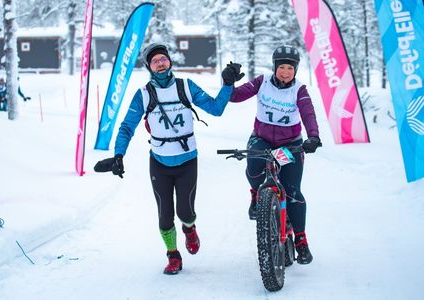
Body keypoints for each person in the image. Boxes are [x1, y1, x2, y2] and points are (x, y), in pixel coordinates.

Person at [94, 43, 243, 275]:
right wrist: (118, 155)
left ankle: (189, 228)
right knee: (164, 215)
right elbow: (126, 127)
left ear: (170, 62)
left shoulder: (185, 86)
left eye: (163, 59)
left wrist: (227, 85)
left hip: (187, 160)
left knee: (185, 211)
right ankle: (173, 255)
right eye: (155, 61)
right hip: (159, 162)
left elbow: (216, 109)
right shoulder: (144, 95)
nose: (160, 63)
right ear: (149, 67)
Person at [229, 45, 321, 265]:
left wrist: (313, 136)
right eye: (282, 67)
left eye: (290, 68)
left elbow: (308, 113)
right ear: (275, 67)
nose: (286, 72)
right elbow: (234, 96)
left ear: (296, 70)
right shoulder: (262, 82)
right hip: (262, 139)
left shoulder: (299, 89)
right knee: (253, 165)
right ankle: (255, 194)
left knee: (292, 191)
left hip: (289, 145)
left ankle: (300, 239)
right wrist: (227, 82)